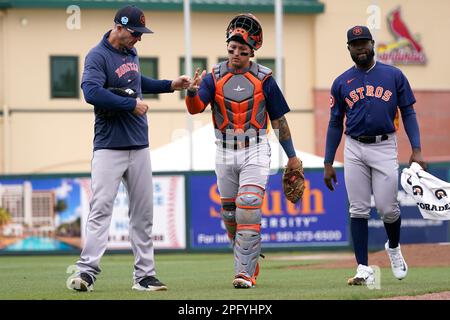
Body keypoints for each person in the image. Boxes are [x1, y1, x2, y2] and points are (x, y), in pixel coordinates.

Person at [67, 5, 190, 292]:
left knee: (144, 214)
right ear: (119, 27)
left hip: (139, 144)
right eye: (135, 33)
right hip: (109, 146)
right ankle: (86, 272)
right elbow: (92, 92)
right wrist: (129, 103)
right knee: (101, 210)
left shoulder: (130, 53)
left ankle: (144, 276)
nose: (139, 39)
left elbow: (137, 83)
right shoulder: (97, 56)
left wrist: (171, 84)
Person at [185, 13, 302, 289]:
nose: (236, 53)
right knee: (229, 215)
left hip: (256, 148)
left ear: (252, 51)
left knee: (248, 204)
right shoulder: (213, 77)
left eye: (242, 50)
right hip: (224, 149)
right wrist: (191, 93)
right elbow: (196, 109)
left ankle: (244, 273)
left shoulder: (265, 78)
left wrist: (292, 156)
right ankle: (248, 259)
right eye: (232, 49)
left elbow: (279, 120)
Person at [323, 25, 427, 285]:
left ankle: (393, 247)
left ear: (372, 43)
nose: (360, 48)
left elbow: (409, 113)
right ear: (348, 48)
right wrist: (327, 161)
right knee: (357, 208)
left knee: (387, 209)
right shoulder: (341, 82)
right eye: (355, 44)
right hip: (354, 146)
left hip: (384, 145)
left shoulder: (393, 75)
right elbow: (335, 123)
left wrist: (416, 148)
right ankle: (363, 267)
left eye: (364, 42)